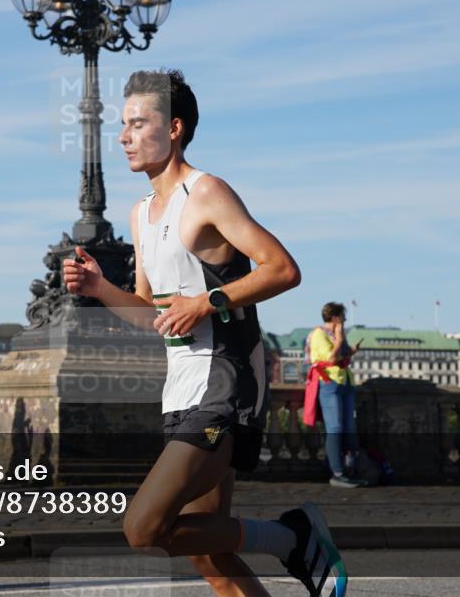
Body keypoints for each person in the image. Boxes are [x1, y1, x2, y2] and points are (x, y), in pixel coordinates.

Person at [63, 70, 347, 597]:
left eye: (137, 124)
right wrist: (101, 288)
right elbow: (153, 315)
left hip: (226, 383)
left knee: (143, 527)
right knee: (208, 553)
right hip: (181, 386)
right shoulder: (142, 214)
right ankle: (290, 540)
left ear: (173, 128)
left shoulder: (207, 192)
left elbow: (282, 269)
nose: (123, 136)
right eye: (122, 125)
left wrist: (207, 301)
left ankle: (291, 536)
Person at [306, 303, 365, 488]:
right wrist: (339, 340)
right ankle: (337, 473)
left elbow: (343, 356)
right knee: (335, 427)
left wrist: (351, 349)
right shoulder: (319, 334)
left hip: (345, 382)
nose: (345, 321)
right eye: (343, 317)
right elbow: (330, 359)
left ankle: (350, 469)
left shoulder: (338, 334)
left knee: (349, 427)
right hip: (329, 383)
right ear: (335, 318)